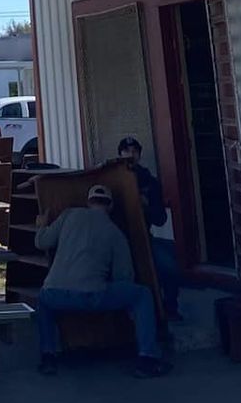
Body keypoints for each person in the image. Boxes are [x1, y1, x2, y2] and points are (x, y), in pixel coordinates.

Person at [33, 183, 167, 378]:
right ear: (110, 206)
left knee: (43, 300)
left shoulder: (69, 215)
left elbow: (42, 242)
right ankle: (148, 358)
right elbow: (124, 277)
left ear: (88, 202)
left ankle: (48, 357)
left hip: (56, 294)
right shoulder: (115, 232)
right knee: (141, 294)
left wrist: (41, 225)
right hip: (92, 296)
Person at [116, 135, 182, 321]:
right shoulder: (111, 179)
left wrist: (146, 205)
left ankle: (170, 309)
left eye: (135, 151)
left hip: (144, 238)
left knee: (169, 268)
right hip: (117, 239)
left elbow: (160, 219)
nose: (131, 154)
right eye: (126, 151)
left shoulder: (149, 181)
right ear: (120, 154)